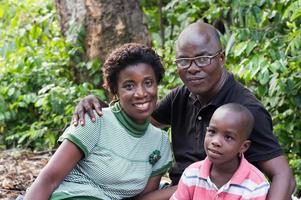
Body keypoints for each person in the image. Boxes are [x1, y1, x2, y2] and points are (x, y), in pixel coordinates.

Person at [71, 21, 295, 199]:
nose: (193, 68)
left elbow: (283, 175)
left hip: (221, 190)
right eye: (184, 61)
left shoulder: (245, 109)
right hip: (183, 186)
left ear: (221, 58)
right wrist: (99, 106)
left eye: (203, 59)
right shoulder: (182, 95)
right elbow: (136, 121)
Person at [24, 43, 173, 200]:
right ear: (115, 91)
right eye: (129, 86)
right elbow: (47, 181)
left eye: (148, 83)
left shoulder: (160, 141)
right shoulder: (95, 121)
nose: (141, 93)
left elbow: (143, 198)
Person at [170, 103, 270, 200]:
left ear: (243, 146)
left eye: (228, 137)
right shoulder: (192, 173)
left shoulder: (256, 186)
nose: (216, 141)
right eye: (212, 132)